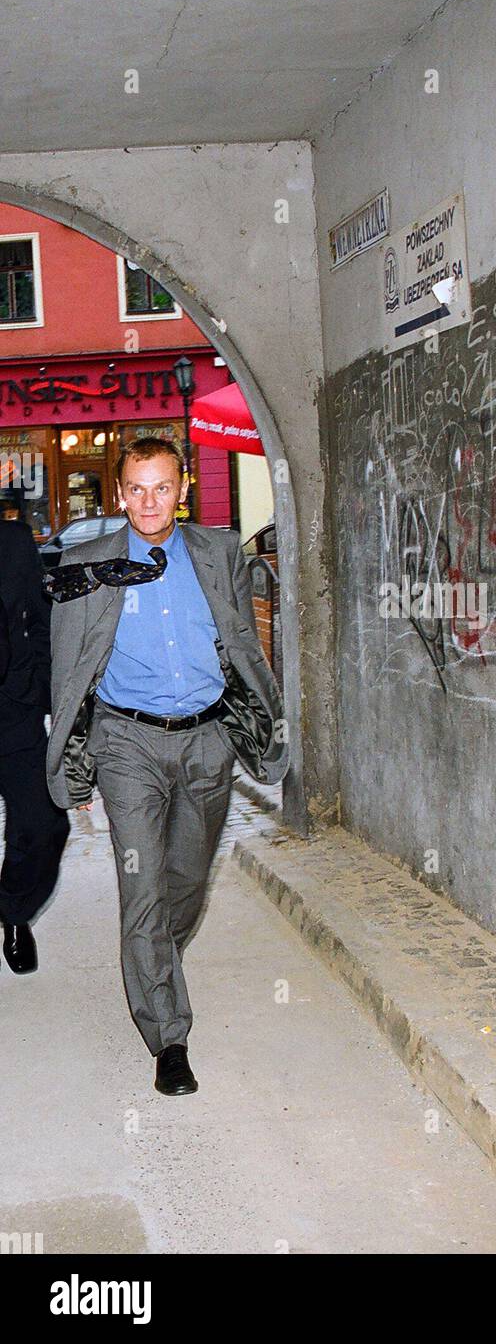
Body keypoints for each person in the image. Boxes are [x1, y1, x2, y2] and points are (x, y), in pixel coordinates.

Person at [45, 438, 289, 1094]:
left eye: (162, 487)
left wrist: (262, 725)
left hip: (207, 741)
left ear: (182, 490)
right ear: (119, 493)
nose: (149, 501)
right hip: (128, 746)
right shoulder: (89, 564)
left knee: (186, 880)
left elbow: (243, 647)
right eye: (136, 488)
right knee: (146, 883)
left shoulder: (218, 554)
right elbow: (67, 670)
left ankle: (154, 954)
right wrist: (74, 759)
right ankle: (168, 1035)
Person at [0, 519, 70, 974]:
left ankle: (13, 911)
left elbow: (44, 619)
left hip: (13, 712)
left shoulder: (13, 541)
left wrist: (39, 685)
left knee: (44, 824)